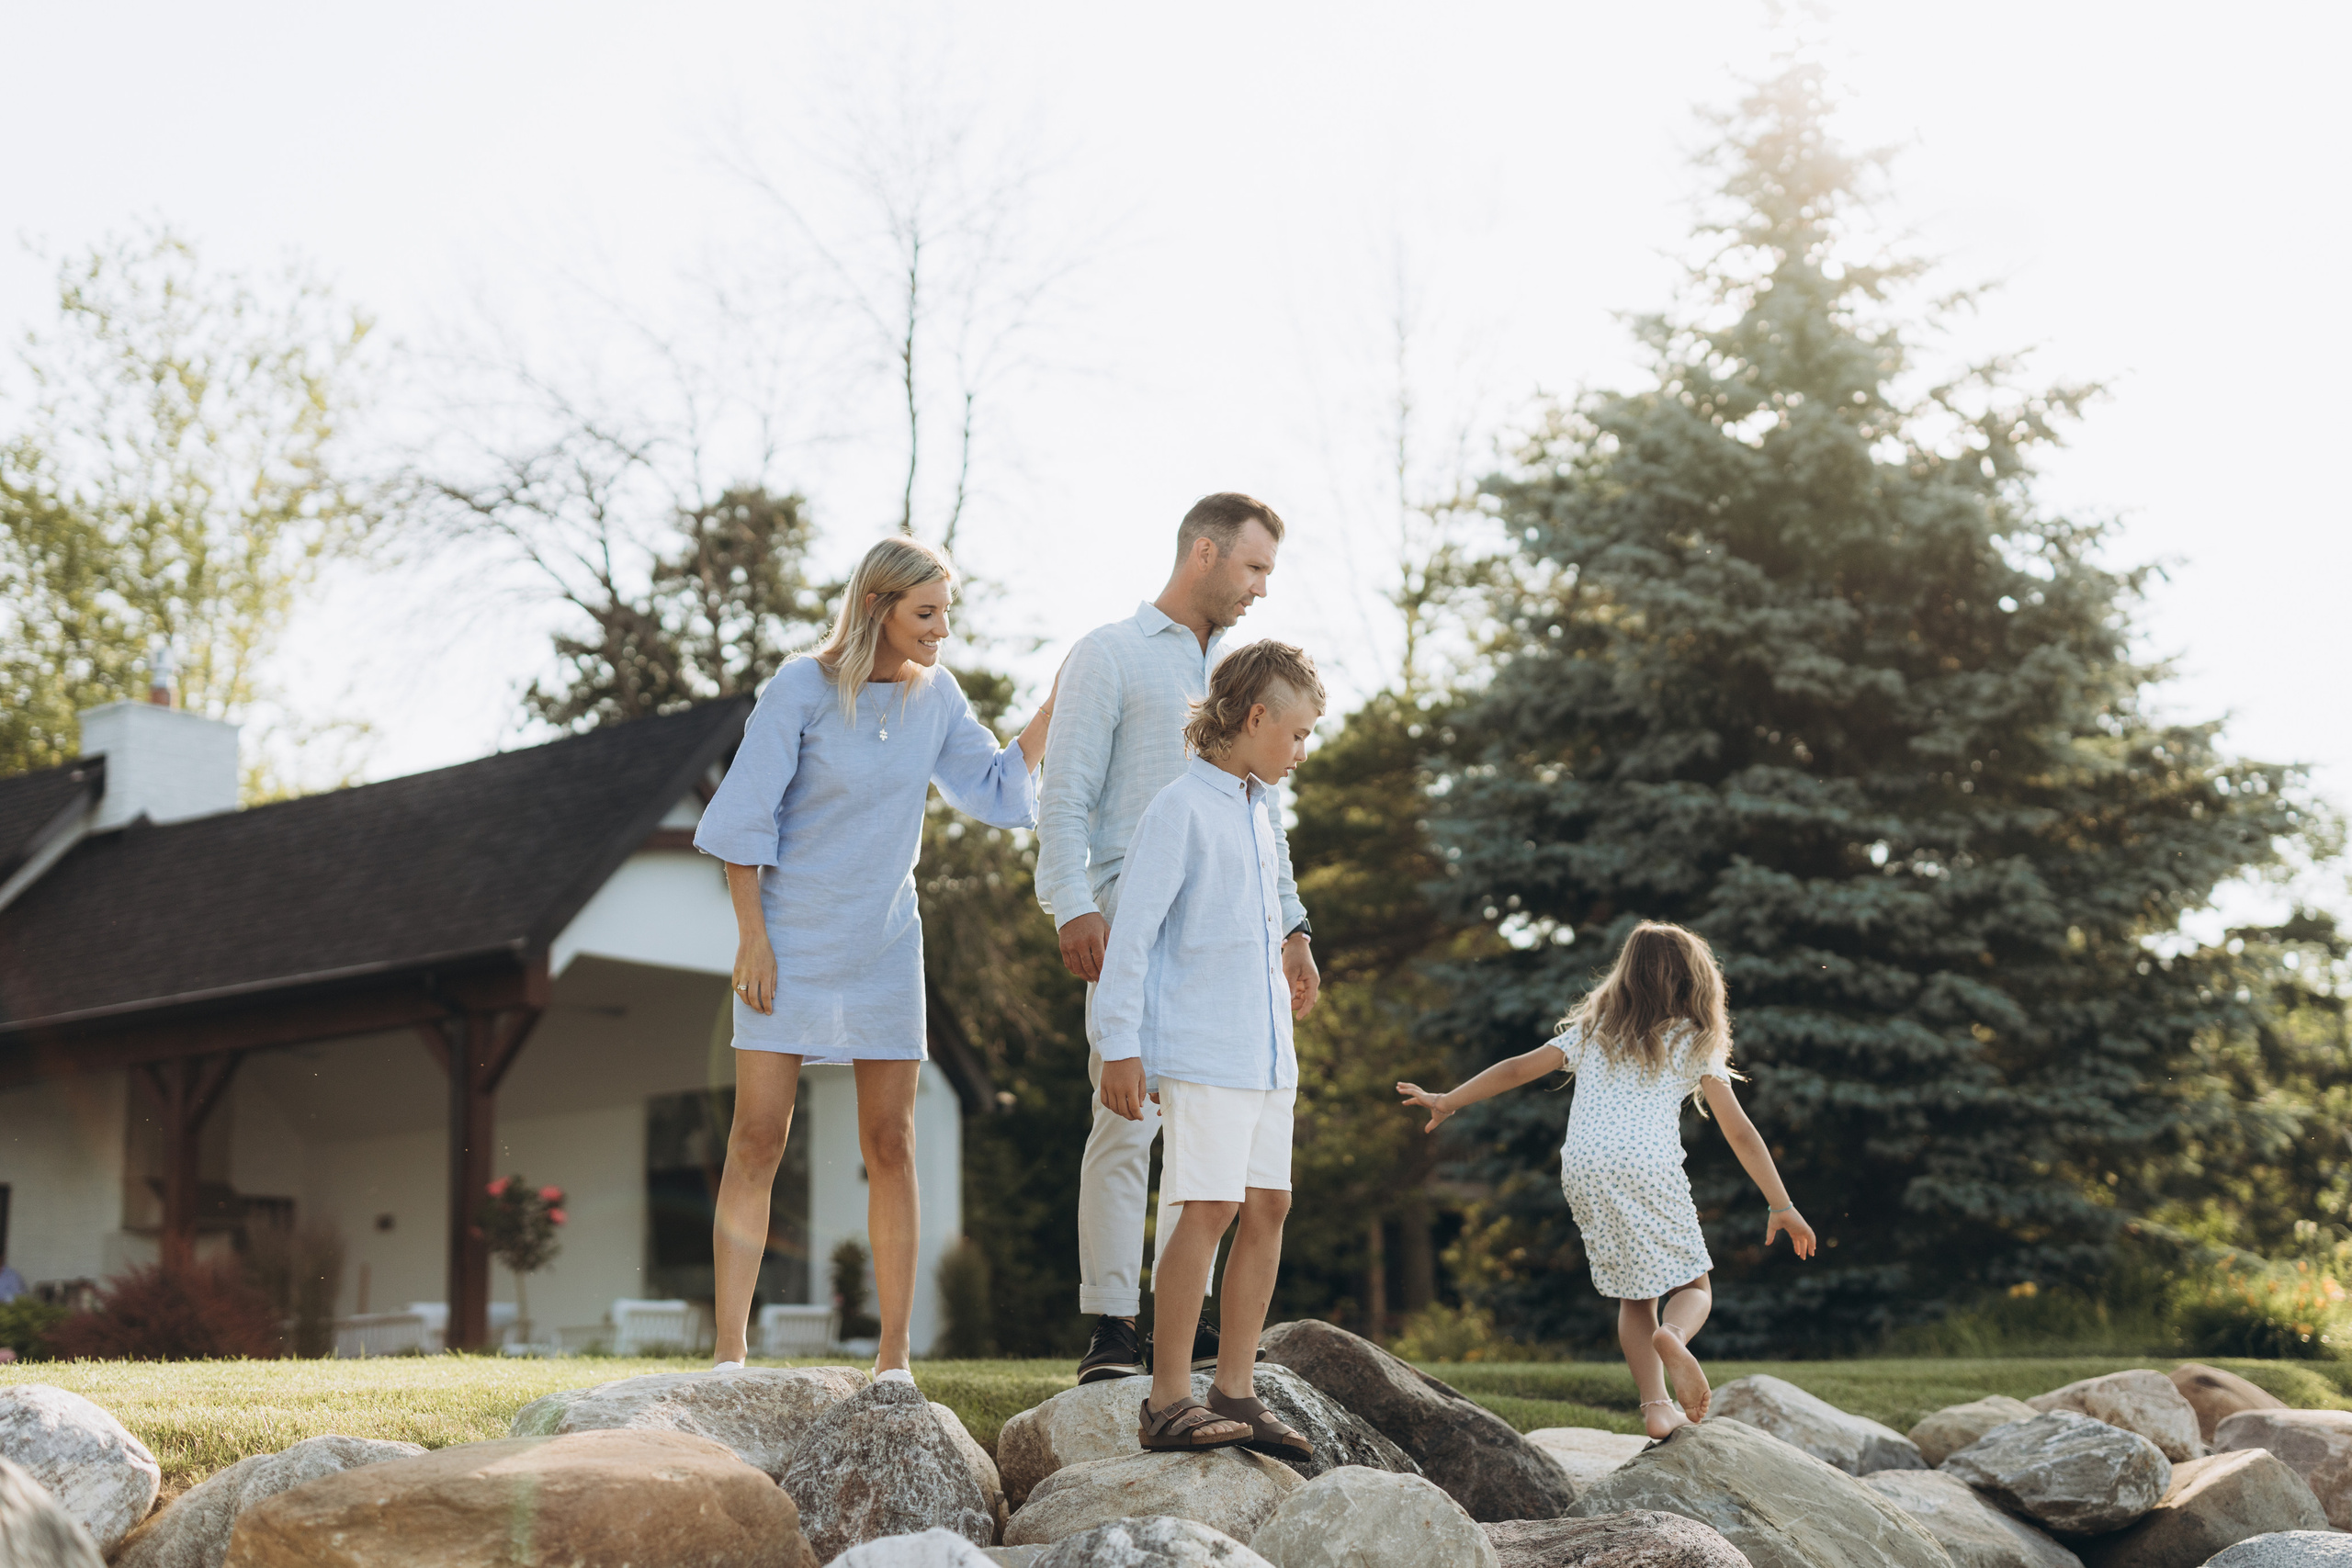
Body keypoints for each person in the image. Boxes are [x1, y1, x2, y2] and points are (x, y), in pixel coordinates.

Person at [695, 535, 1054, 1380]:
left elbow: (997, 788)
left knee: (891, 1139)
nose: (940, 630)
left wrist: (1054, 709)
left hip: (887, 941)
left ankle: (894, 1360)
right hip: (788, 939)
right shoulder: (801, 687)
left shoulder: (938, 698)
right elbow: (744, 817)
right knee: (757, 1137)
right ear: (875, 607)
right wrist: (753, 934)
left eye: (945, 614)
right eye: (925, 613)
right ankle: (728, 1355)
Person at [1036, 492, 1320, 1384]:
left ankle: (1184, 1330)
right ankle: (1113, 1326)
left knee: (1216, 1145)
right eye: (1253, 567)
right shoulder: (1110, 655)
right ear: (1204, 552)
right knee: (1126, 1121)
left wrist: (1296, 927)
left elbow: (1259, 813)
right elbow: (1065, 794)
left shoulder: (1246, 678)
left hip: (1228, 945)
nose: (1260, 588)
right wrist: (1070, 905)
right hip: (1130, 916)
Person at [1396, 921, 1816, 1438]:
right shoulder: (1694, 1038)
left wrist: (1447, 1099)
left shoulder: (1596, 1029)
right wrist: (1781, 1203)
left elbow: (1517, 1068)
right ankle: (1675, 1338)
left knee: (1633, 1294)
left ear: (1625, 975)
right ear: (1696, 980)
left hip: (1584, 1166)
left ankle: (1657, 1408)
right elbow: (1740, 1130)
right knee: (1693, 1284)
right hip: (1648, 1164)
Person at [1092, 639, 1326, 1455]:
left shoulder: (1261, 810)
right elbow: (1131, 941)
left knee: (1269, 1204)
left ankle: (1236, 1389)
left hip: (1267, 1052)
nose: (1301, 750)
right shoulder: (1179, 809)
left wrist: (1297, 939)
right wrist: (1119, 1047)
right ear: (1255, 717)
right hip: (1202, 1046)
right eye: (1296, 735)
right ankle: (1166, 1400)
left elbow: (1272, 902)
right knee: (1210, 1207)